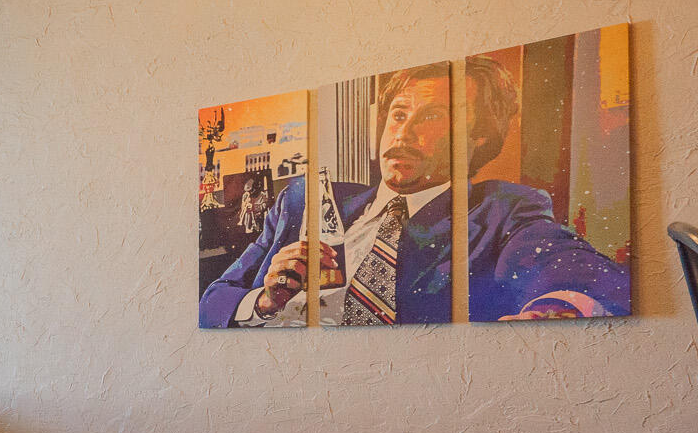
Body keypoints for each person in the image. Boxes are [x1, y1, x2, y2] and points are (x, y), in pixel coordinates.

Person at [199, 62, 630, 327]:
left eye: (432, 117)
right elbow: (213, 302)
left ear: (478, 137)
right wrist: (263, 300)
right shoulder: (304, 199)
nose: (402, 132)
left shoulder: (503, 210)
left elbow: (574, 273)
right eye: (398, 114)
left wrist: (556, 309)